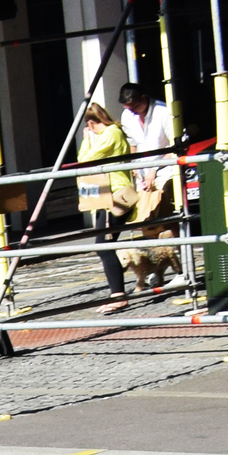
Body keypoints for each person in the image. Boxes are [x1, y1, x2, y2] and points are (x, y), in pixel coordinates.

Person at [117, 83, 181, 294]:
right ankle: (158, 269)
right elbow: (134, 144)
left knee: (170, 218)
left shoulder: (163, 112)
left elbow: (173, 146)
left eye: (135, 106)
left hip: (165, 171)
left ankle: (182, 266)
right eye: (128, 107)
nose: (132, 111)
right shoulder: (128, 116)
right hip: (143, 175)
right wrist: (134, 169)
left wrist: (155, 169)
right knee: (148, 222)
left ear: (144, 98)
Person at [76, 101, 138, 313]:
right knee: (104, 244)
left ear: (91, 123)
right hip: (108, 195)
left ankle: (118, 295)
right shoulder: (112, 133)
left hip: (115, 195)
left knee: (104, 245)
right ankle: (117, 292)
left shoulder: (111, 133)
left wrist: (86, 141)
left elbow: (85, 159)